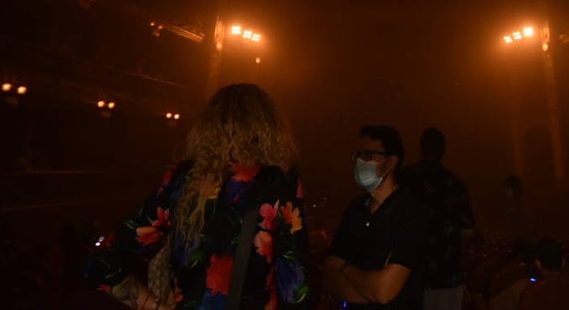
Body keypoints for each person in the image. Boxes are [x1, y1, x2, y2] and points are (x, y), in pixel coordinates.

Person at [86, 83, 310, 310]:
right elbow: (296, 289)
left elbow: (102, 262)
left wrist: (155, 307)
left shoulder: (181, 182)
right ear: (270, 129)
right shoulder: (279, 184)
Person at [322, 125, 427, 310]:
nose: (360, 162)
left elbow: (384, 290)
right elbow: (329, 275)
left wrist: (346, 268)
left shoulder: (410, 211)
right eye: (358, 155)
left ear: (391, 161)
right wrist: (370, 288)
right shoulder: (355, 209)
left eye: (369, 155)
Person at [400, 127, 477, 310]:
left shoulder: (403, 180)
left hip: (407, 277)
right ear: (443, 151)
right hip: (447, 276)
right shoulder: (454, 184)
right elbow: (468, 231)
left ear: (421, 149)